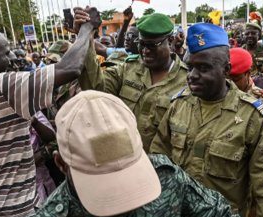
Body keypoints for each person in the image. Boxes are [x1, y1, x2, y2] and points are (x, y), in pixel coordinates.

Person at [22, 90, 257, 217]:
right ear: (61, 164)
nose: (122, 198)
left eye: (126, 173)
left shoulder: (167, 177)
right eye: (103, 181)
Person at [0, 7, 100, 217]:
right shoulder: (1, 87)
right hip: (19, 211)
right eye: (5, 53)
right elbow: (71, 68)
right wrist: (88, 28)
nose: (11, 60)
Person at [150, 23, 263, 217]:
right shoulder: (178, 105)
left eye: (203, 68)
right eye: (190, 66)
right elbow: (159, 162)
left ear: (226, 70)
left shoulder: (252, 117)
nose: (192, 75)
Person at [79, 12, 188, 153]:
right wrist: (85, 34)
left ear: (171, 40)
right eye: (141, 44)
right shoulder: (127, 69)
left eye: (152, 45)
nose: (145, 51)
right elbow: (96, 90)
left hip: (162, 170)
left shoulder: (187, 82)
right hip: (122, 158)